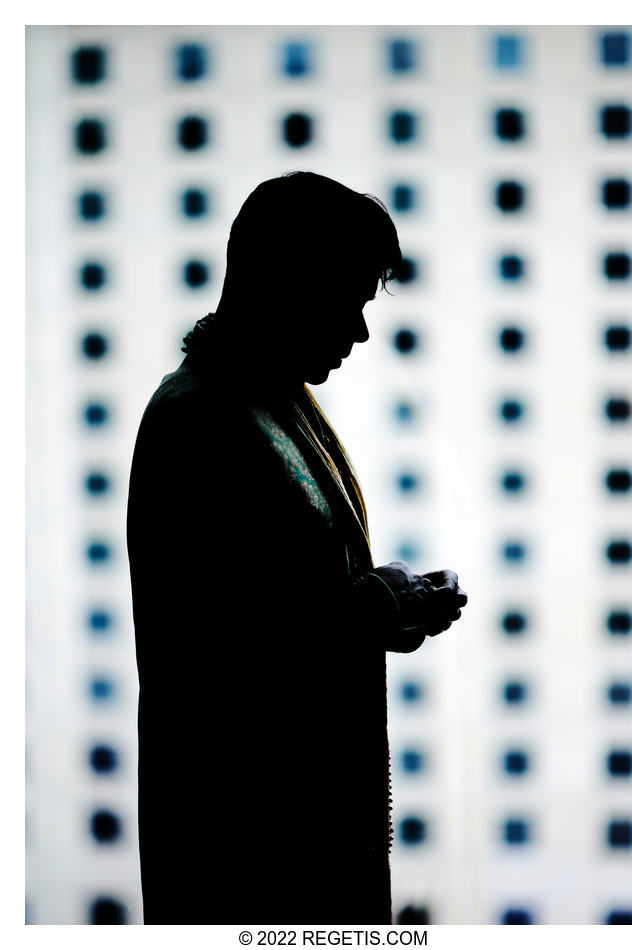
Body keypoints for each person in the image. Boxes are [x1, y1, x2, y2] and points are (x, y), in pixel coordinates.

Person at [126, 171, 467, 925]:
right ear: (285, 285)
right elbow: (211, 653)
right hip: (249, 858)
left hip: (310, 840)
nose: (360, 332)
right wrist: (377, 604)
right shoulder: (199, 420)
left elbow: (282, 592)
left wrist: (394, 604)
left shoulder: (272, 399)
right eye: (347, 302)